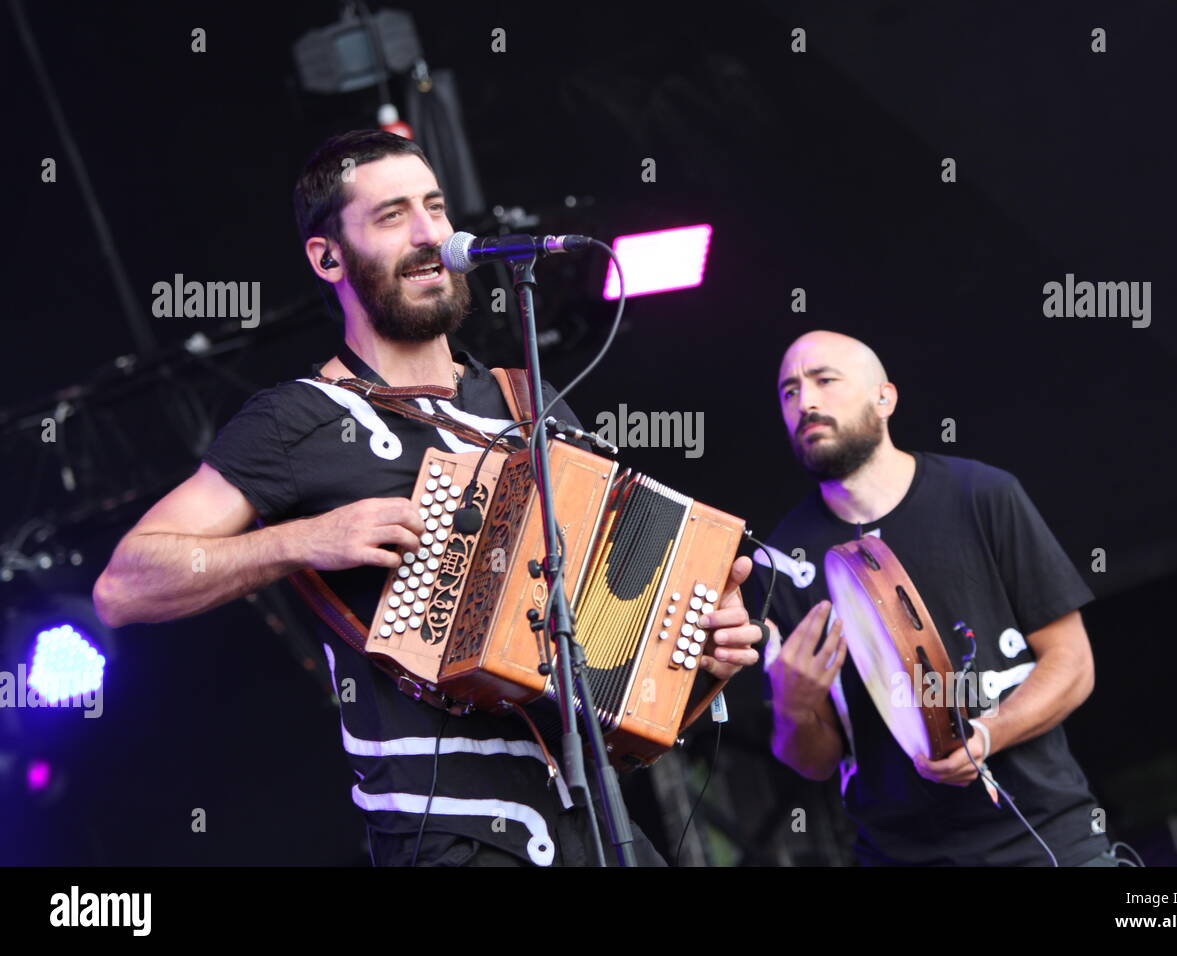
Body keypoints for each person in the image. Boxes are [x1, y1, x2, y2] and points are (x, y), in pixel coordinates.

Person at [92, 129, 762, 867]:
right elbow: (125, 585)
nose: (429, 235)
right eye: (391, 216)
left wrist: (697, 652)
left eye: (435, 208)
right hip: (449, 836)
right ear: (327, 257)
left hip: (595, 830)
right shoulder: (297, 418)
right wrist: (300, 541)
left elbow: (611, 671)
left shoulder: (532, 401)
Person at [746, 329, 1117, 866]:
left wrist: (987, 736)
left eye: (825, 380)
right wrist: (791, 706)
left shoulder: (983, 495)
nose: (806, 402)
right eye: (789, 392)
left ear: (885, 397)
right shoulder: (779, 563)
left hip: (1052, 843)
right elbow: (815, 760)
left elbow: (1073, 663)